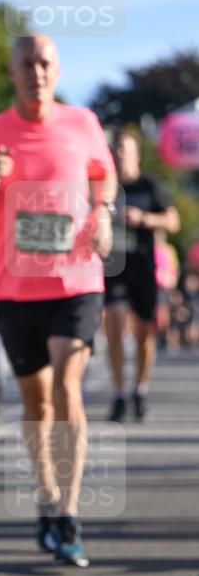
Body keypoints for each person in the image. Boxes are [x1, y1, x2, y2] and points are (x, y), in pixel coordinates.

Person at [0, 35, 116, 568]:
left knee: (69, 387)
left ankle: (69, 515)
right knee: (37, 403)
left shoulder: (83, 123)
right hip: (17, 289)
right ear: (13, 71)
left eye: (45, 62)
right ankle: (48, 498)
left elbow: (103, 171)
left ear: (57, 68)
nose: (37, 71)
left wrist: (106, 211)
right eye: (27, 63)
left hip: (77, 281)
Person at [104, 128, 180, 421]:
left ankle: (140, 388)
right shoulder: (106, 187)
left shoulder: (151, 186)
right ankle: (119, 393)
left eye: (126, 149)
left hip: (143, 267)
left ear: (136, 154)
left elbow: (172, 221)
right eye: (117, 149)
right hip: (114, 267)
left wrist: (144, 218)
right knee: (114, 321)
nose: (121, 154)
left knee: (143, 332)